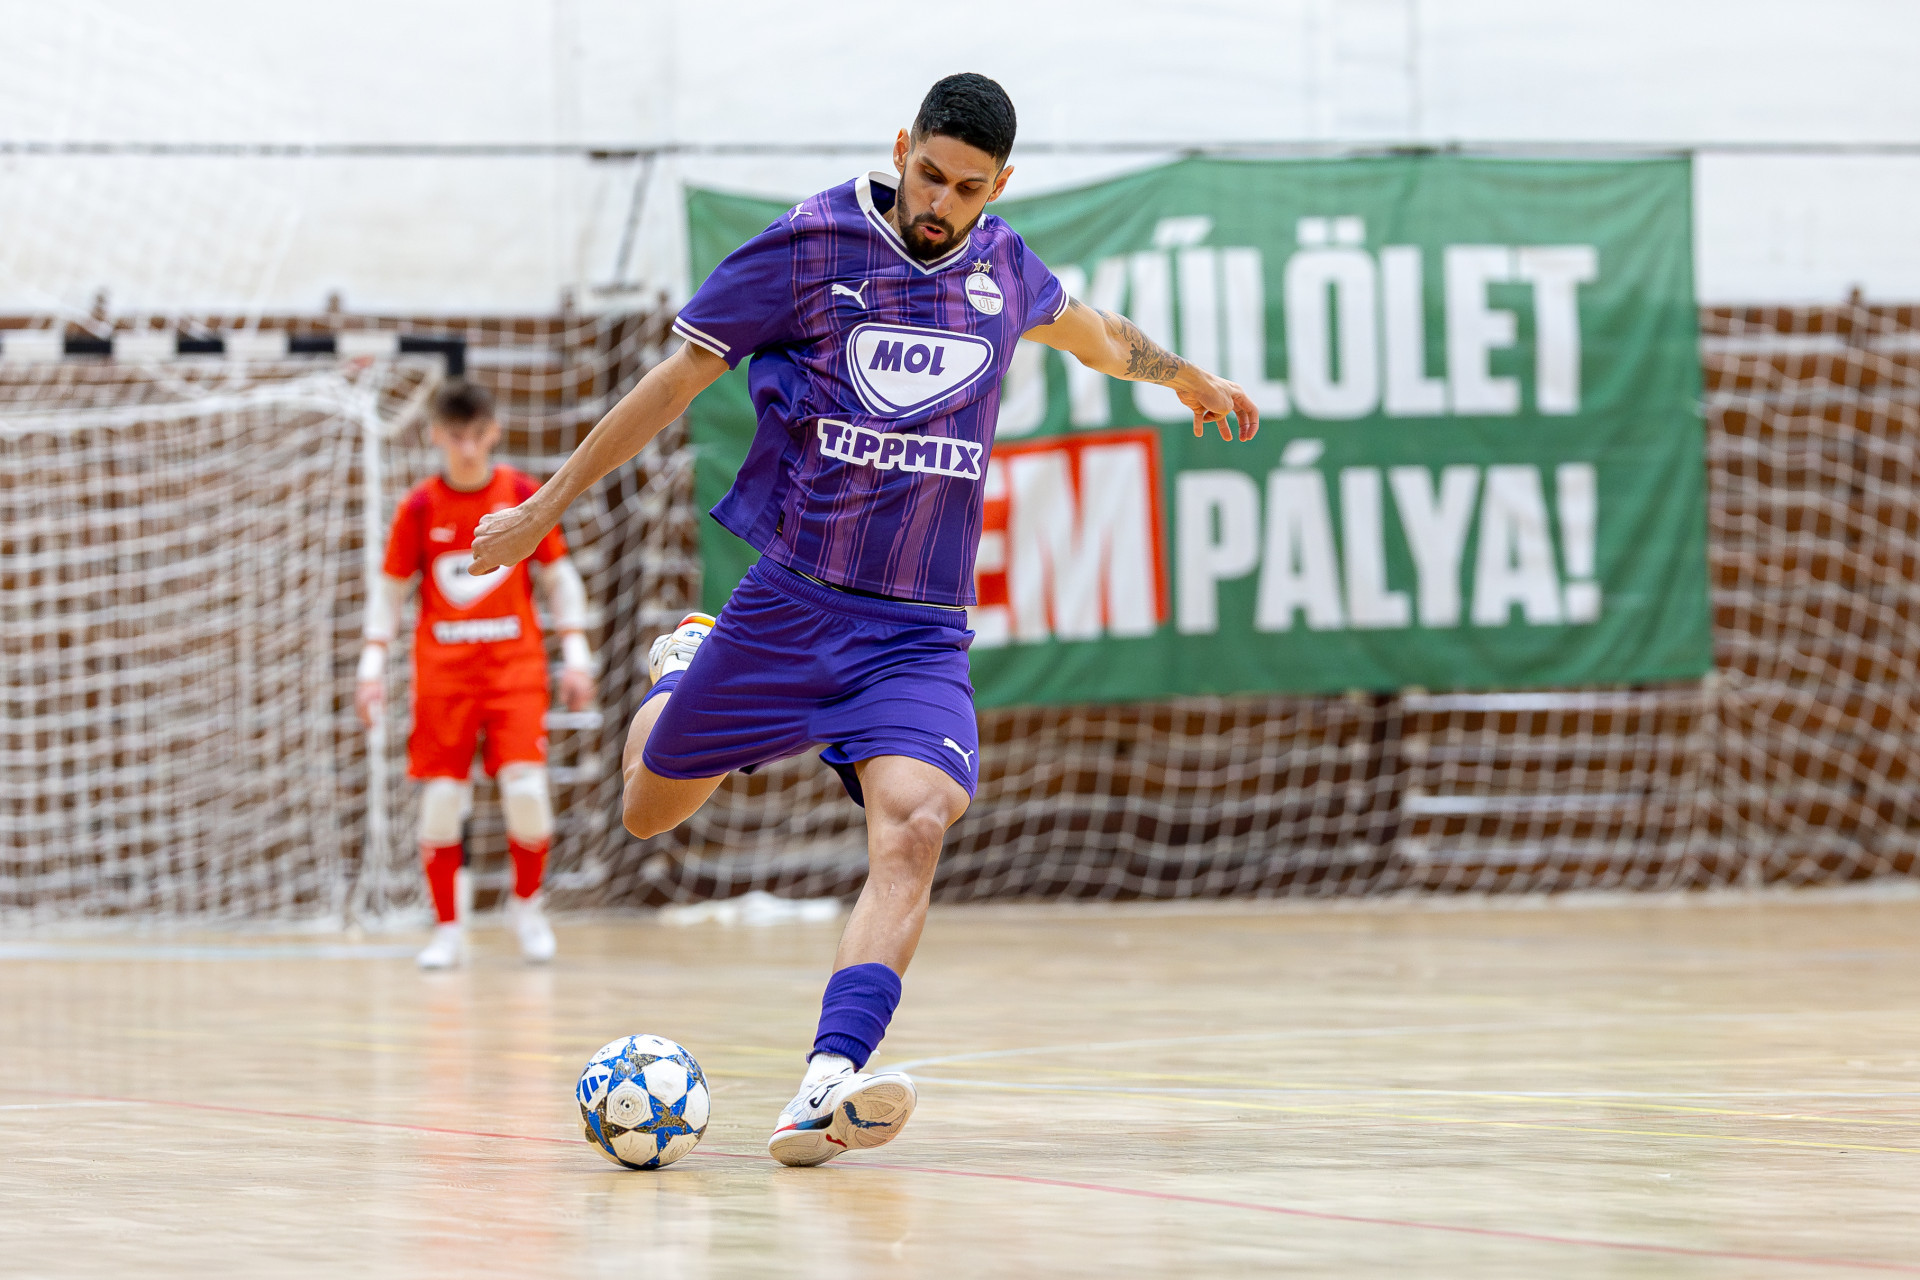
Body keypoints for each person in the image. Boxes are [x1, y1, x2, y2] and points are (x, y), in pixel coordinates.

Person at [471, 73, 1256, 1163]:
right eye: (929, 174)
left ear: (999, 186)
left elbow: (1098, 337)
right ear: (901, 148)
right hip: (791, 605)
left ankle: (825, 1081)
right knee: (649, 808)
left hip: (917, 633)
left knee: (918, 822)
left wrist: (1186, 377)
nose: (941, 201)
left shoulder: (1005, 267)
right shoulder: (810, 245)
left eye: (968, 188)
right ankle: (682, 667)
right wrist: (544, 506)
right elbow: (676, 379)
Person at [356, 379, 597, 970]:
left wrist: (577, 653)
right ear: (436, 436)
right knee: (442, 799)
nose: (466, 448)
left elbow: (558, 575)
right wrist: (371, 666)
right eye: (455, 436)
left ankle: (527, 908)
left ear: (494, 433)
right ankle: (447, 928)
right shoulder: (419, 507)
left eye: (476, 436)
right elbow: (390, 591)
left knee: (526, 792)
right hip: (443, 676)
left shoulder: (520, 494)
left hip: (514, 670)